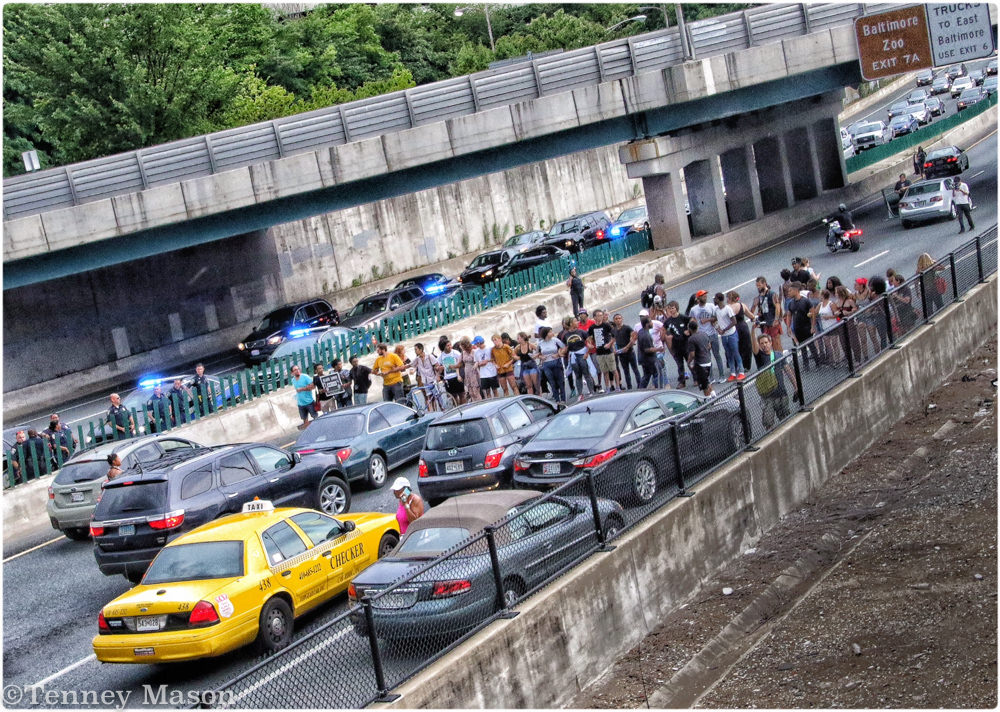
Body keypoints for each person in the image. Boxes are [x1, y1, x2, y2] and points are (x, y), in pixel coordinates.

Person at [749, 326, 797, 428]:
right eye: (761, 343)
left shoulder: (779, 355)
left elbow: (788, 371)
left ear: (770, 343)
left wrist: (796, 387)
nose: (764, 345)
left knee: (786, 421)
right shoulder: (760, 357)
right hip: (767, 397)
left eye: (766, 342)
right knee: (768, 423)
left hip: (781, 393)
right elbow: (754, 345)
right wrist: (753, 330)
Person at [689, 290, 725, 380]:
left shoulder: (711, 306)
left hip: (712, 333)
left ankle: (722, 375)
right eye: (702, 296)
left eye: (705, 295)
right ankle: (710, 377)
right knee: (707, 357)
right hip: (703, 336)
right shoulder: (694, 309)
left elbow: (716, 317)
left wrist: (707, 320)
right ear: (698, 298)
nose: (705, 297)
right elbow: (692, 320)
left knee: (717, 355)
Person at [713, 292, 745, 381]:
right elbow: (714, 319)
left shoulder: (728, 309)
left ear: (719, 300)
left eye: (715, 299)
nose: (714, 300)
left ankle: (741, 371)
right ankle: (733, 372)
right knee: (728, 354)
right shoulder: (716, 309)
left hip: (731, 334)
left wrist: (724, 329)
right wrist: (718, 328)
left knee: (735, 352)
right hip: (724, 335)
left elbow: (734, 321)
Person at [562, 317, 594, 398]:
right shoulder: (565, 335)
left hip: (582, 355)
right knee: (578, 375)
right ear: (570, 324)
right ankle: (580, 394)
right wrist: (563, 352)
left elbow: (589, 342)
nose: (577, 322)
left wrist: (587, 352)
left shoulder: (582, 332)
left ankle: (591, 391)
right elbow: (565, 347)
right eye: (575, 321)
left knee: (586, 373)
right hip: (573, 357)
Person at [588, 309, 618, 392]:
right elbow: (589, 338)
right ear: (594, 317)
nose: (601, 317)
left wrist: (610, 344)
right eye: (599, 315)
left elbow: (614, 335)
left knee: (614, 370)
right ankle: (607, 387)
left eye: (601, 315)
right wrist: (589, 344)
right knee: (605, 371)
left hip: (608, 351)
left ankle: (618, 387)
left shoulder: (606, 325)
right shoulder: (592, 328)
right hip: (599, 352)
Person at [752, 276, 784, 352]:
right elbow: (754, 311)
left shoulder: (772, 294)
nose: (758, 287)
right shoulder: (759, 297)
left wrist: (776, 319)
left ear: (764, 284)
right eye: (757, 286)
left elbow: (778, 307)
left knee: (776, 344)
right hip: (765, 324)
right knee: (768, 346)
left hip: (773, 323)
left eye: (759, 285)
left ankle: (782, 361)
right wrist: (755, 305)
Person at [536, 327, 567, 404]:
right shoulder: (540, 343)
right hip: (546, 364)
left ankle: (563, 399)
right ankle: (557, 400)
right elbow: (537, 354)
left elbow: (564, 347)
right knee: (552, 382)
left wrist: (558, 354)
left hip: (556, 362)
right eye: (550, 332)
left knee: (560, 381)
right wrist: (541, 357)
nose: (552, 333)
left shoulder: (555, 340)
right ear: (546, 334)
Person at [662, 301, 690, 387]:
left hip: (685, 344)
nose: (671, 310)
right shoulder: (668, 321)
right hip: (676, 345)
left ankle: (696, 378)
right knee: (679, 365)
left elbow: (692, 322)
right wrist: (664, 337)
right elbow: (663, 329)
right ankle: (682, 381)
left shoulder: (683, 317)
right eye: (670, 308)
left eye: (673, 308)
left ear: (676, 308)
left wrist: (689, 331)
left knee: (690, 362)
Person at [685, 319, 714, 397]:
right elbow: (709, 346)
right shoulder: (704, 334)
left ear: (690, 329)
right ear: (697, 327)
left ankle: (709, 400)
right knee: (707, 381)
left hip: (701, 364)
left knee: (704, 385)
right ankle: (713, 395)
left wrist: (688, 362)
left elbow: (692, 354)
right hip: (708, 361)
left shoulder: (691, 339)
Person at [613, 312, 640, 390]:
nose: (618, 320)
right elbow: (613, 340)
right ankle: (629, 387)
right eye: (616, 319)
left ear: (622, 319)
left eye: (619, 318)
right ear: (614, 321)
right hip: (621, 354)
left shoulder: (627, 328)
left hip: (630, 352)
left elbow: (634, 336)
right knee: (626, 372)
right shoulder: (614, 330)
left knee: (635, 369)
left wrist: (627, 347)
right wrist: (615, 350)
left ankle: (640, 385)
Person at [729, 291, 754, 376]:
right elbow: (751, 315)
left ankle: (736, 365)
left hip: (733, 329)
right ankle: (746, 365)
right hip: (743, 328)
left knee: (735, 348)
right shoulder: (741, 305)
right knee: (746, 346)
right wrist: (753, 318)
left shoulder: (727, 308)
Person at [635, 311, 660, 389]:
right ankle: (657, 389)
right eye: (651, 322)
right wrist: (658, 349)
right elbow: (647, 349)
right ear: (647, 324)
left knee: (647, 375)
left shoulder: (641, 332)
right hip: (649, 360)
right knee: (655, 374)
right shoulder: (646, 335)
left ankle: (641, 389)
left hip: (643, 359)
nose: (652, 323)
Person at [437, 338, 465, 405]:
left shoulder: (455, 353)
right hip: (448, 379)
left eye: (450, 345)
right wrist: (438, 368)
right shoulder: (441, 356)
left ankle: (464, 408)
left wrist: (456, 367)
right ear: (443, 347)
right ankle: (457, 410)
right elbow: (437, 366)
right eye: (448, 345)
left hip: (457, 376)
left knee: (461, 394)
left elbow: (462, 362)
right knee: (453, 397)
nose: (450, 347)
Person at [290, 364, 317, 430]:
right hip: (300, 404)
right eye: (295, 370)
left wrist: (301, 389)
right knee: (305, 420)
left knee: (315, 417)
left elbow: (313, 387)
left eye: (298, 369)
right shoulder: (293, 380)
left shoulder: (305, 377)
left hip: (309, 402)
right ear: (292, 373)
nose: (297, 371)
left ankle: (319, 429)